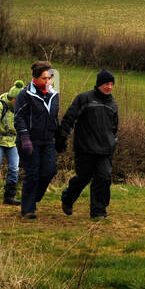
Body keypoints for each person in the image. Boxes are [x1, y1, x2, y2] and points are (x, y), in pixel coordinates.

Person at [57, 69, 120, 220]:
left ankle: (98, 212)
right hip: (85, 148)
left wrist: (113, 144)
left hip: (105, 150)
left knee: (103, 178)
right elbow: (69, 118)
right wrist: (62, 137)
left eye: (111, 84)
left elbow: (114, 128)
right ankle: (68, 198)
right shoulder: (84, 98)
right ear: (99, 84)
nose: (109, 87)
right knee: (83, 177)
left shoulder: (112, 104)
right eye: (106, 83)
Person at [14, 61, 60, 220]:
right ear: (35, 78)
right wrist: (24, 136)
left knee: (50, 170)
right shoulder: (25, 94)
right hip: (29, 140)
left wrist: (59, 136)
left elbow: (54, 117)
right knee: (32, 173)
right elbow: (19, 117)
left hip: (47, 140)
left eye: (50, 78)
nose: (48, 81)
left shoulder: (54, 94)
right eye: (44, 78)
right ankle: (27, 209)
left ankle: (34, 197)